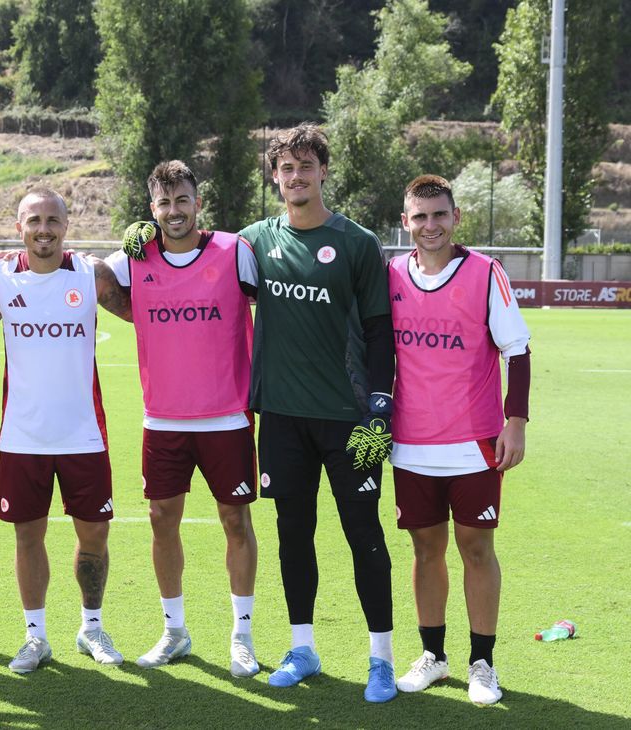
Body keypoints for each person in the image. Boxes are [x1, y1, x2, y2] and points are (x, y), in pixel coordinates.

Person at [239, 124, 398, 702]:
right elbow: (194, 254)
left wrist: (381, 407)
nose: (296, 177)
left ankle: (381, 658)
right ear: (274, 175)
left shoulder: (357, 243)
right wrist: (148, 234)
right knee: (292, 533)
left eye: (306, 166)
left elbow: (381, 332)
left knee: (364, 533)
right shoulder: (253, 240)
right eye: (286, 168)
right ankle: (302, 647)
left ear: (323, 172)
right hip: (281, 417)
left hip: (349, 417)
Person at [105, 161, 260, 677]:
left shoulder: (234, 250)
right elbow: (96, 280)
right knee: (160, 520)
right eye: (164, 203)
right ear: (152, 210)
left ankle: (242, 637)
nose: (174, 211)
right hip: (163, 419)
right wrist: (136, 310)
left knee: (235, 521)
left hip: (227, 418)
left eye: (182, 200)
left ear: (198, 202)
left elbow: (274, 305)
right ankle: (175, 631)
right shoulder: (135, 256)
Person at [389, 175, 530, 705]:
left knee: (476, 549)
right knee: (426, 550)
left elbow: (517, 350)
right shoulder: (391, 274)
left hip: (474, 442)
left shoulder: (484, 272)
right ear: (406, 223)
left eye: (439, 215)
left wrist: (514, 422)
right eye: (419, 217)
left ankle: (482, 664)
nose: (430, 226)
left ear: (456, 217)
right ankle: (434, 656)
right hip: (411, 443)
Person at [0, 187, 131, 674]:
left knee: (94, 538)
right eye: (33, 220)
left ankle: (91, 628)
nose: (43, 229)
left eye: (52, 220)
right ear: (19, 225)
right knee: (28, 538)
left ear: (66, 226)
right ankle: (36, 636)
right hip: (22, 437)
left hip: (84, 434)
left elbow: (145, 310)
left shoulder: (91, 275)